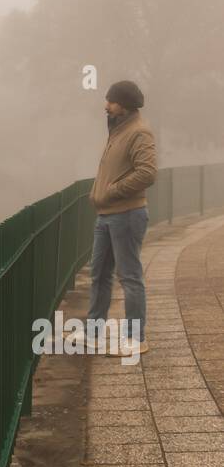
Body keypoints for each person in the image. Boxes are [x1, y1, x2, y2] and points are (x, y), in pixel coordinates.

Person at [86, 81, 157, 357]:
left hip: (126, 215)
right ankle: (93, 333)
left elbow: (147, 173)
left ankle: (136, 339)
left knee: (129, 277)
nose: (106, 105)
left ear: (124, 105)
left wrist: (112, 191)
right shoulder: (119, 129)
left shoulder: (139, 133)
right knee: (99, 274)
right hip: (106, 215)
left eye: (111, 101)